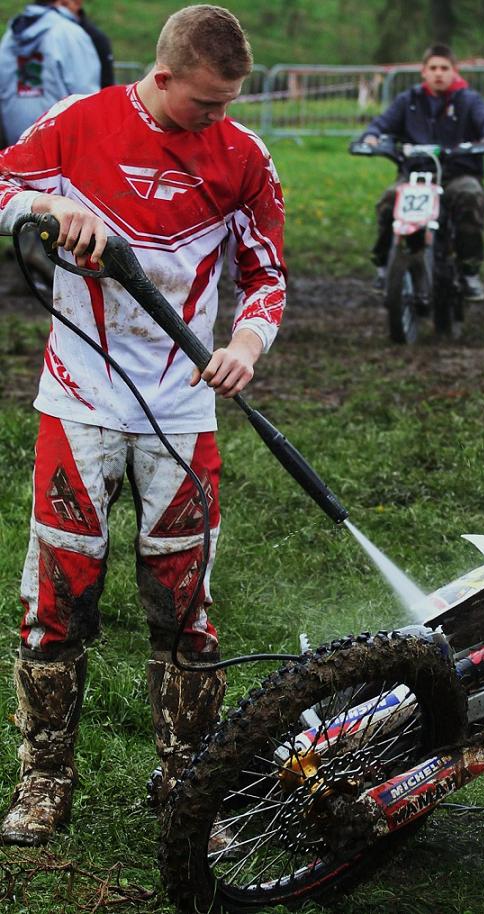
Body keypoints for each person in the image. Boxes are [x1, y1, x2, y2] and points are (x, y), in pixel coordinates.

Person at [0, 4, 286, 846]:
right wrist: (47, 207)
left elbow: (266, 272)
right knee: (56, 603)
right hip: (79, 404)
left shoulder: (243, 157)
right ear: (161, 78)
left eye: (230, 102)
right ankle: (44, 785)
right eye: (204, 103)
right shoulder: (77, 124)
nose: (218, 118)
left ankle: (184, 790)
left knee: (186, 611)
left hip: (182, 411)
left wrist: (246, 340)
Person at [361, 44, 484, 302]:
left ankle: (469, 270)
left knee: (470, 197)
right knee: (388, 201)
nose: (439, 73)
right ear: (423, 72)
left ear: (454, 72)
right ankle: (383, 266)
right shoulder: (409, 100)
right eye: (433, 68)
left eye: (444, 68)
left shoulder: (469, 100)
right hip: (415, 176)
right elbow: (382, 124)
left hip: (457, 173)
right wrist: (371, 137)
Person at [0, 0, 100, 145]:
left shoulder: (12, 34)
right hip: (60, 145)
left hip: (16, 142)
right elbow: (87, 97)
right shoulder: (69, 33)